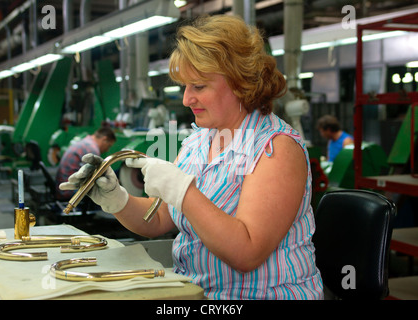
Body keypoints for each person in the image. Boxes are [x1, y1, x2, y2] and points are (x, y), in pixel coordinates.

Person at [60, 14, 323, 300]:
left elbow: (246, 252)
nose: (186, 99)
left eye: (198, 86)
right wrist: (117, 199)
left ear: (240, 83)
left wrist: (184, 191)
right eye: (185, 87)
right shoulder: (201, 138)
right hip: (198, 292)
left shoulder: (276, 148)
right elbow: (160, 217)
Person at [55, 126, 116, 199]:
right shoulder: (92, 149)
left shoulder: (86, 141)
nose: (107, 150)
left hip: (61, 185)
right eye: (108, 146)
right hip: (68, 190)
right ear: (104, 139)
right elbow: (93, 179)